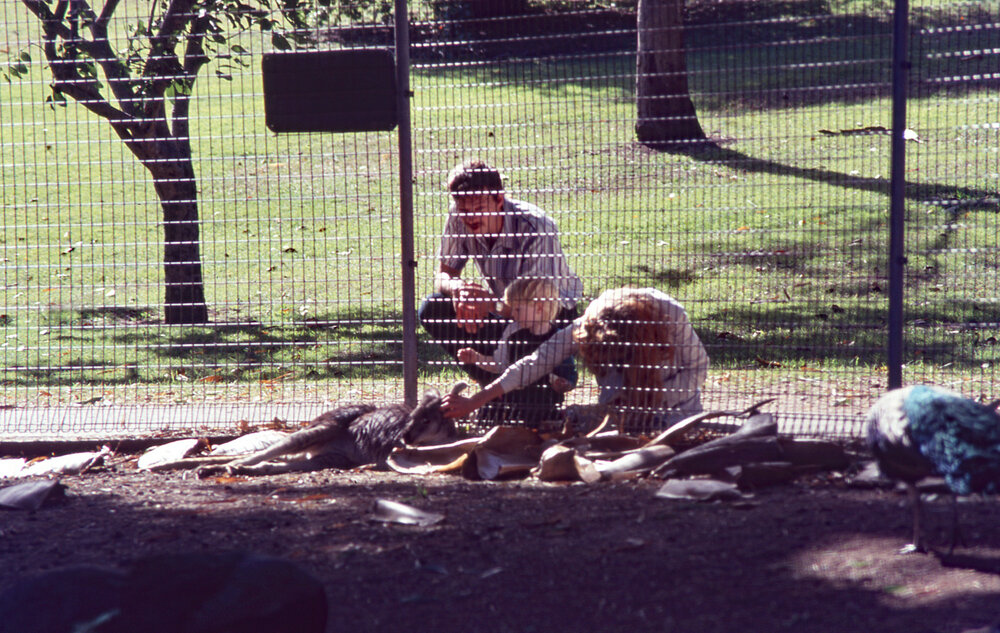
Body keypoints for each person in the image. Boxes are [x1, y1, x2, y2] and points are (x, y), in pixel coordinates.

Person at [442, 287, 710, 430]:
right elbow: (537, 362)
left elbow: (699, 368)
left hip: (675, 409)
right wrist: (475, 401)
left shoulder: (671, 315)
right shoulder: (592, 321)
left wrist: (650, 397)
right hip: (620, 413)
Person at [418, 159, 583, 385]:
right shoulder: (458, 216)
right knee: (433, 306)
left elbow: (536, 301)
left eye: (479, 209)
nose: (471, 218)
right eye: (465, 210)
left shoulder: (536, 227)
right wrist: (457, 289)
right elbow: (443, 275)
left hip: (549, 315)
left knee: (528, 327)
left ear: (499, 200)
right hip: (509, 311)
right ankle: (494, 391)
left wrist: (488, 303)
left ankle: (547, 391)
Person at [457, 277, 577, 427]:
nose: (512, 314)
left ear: (539, 308)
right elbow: (499, 365)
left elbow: (570, 375)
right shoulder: (512, 332)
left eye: (517, 309)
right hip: (513, 406)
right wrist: (477, 358)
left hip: (545, 408)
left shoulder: (559, 338)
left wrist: (565, 384)